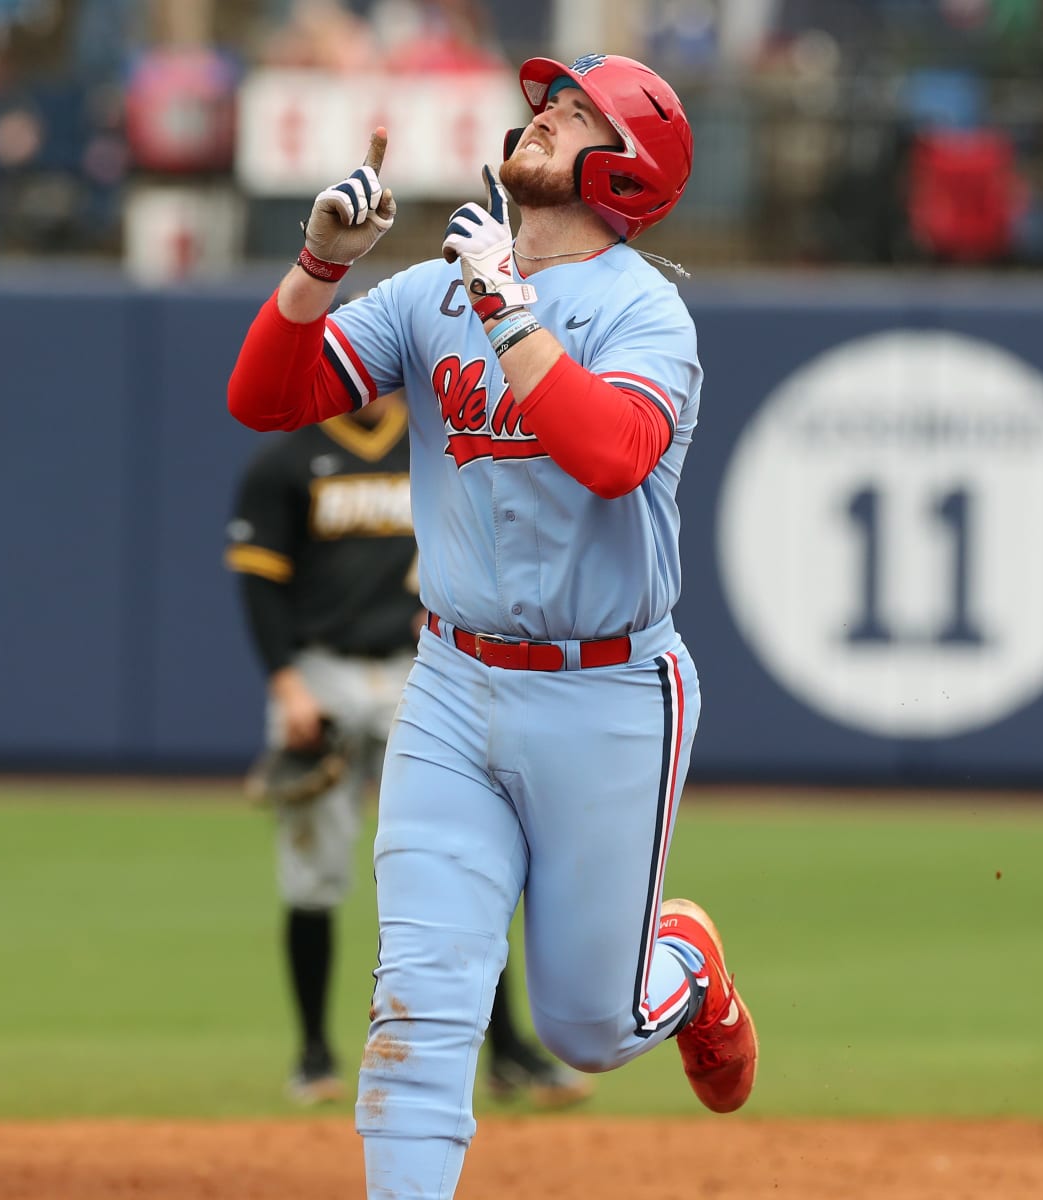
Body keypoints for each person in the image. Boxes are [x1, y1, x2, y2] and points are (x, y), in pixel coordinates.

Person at [227, 51, 758, 1199]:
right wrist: (322, 263)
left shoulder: (641, 308)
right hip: (454, 684)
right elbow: (265, 399)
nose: (543, 115)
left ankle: (689, 968)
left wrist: (507, 307)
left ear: (626, 170)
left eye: (575, 113)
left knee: (588, 1027)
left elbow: (614, 456)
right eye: (546, 103)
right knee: (417, 1001)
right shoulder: (434, 290)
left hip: (607, 689)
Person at [224, 389, 594, 1111]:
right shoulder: (287, 460)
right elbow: (259, 583)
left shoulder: (436, 447)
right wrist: (287, 687)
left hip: (419, 669)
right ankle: (313, 1054)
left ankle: (509, 1051)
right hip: (321, 674)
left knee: (465, 862)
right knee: (314, 873)